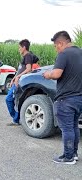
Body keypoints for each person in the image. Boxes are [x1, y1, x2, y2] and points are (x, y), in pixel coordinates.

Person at [43, 31, 82, 165]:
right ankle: (74, 154)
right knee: (73, 126)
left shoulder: (64, 54)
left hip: (66, 99)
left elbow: (57, 74)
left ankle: (68, 157)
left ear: (61, 43)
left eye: (56, 46)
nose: (56, 49)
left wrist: (48, 74)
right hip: (79, 98)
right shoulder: (80, 52)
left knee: (66, 128)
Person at [6, 39, 33, 126]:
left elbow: (29, 69)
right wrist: (14, 78)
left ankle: (16, 119)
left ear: (24, 47)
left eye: (19, 47)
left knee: (9, 99)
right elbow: (20, 70)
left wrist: (18, 77)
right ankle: (16, 119)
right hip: (16, 81)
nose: (19, 49)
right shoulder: (24, 57)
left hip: (21, 83)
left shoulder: (28, 56)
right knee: (11, 99)